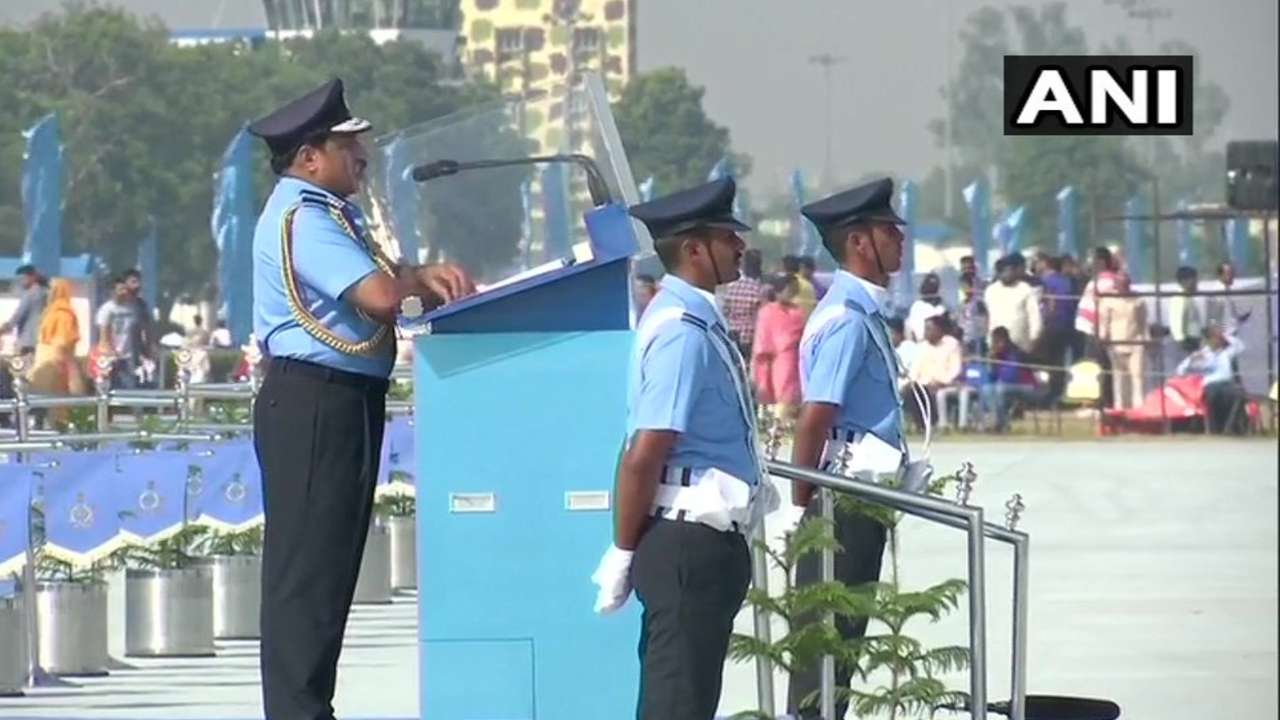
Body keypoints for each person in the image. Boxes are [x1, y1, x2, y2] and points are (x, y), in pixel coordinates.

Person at [247, 77, 476, 720]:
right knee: (308, 578)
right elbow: (379, 297)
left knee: (330, 571)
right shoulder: (304, 215)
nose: (362, 156)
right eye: (348, 145)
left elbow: (386, 294)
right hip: (313, 403)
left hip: (341, 399)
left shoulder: (330, 215)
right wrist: (422, 281)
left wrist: (418, 283)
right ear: (309, 156)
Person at [591, 177, 776, 720]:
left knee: (688, 701)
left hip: (705, 541)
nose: (740, 246)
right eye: (727, 237)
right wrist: (623, 552)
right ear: (694, 249)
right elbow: (645, 451)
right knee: (677, 705)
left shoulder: (698, 320)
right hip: (685, 542)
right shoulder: (682, 332)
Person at [786, 177, 923, 719]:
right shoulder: (845, 319)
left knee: (843, 647)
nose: (900, 240)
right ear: (860, 242)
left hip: (863, 495)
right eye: (890, 231)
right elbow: (815, 418)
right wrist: (804, 510)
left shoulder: (864, 312)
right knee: (827, 650)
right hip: (841, 501)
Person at [28, 278, 88, 425]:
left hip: (55, 361)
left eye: (52, 289)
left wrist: (65, 363)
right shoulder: (54, 311)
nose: (49, 293)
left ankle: (58, 425)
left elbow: (62, 340)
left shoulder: (62, 314)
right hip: (50, 361)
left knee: (57, 396)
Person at [1177, 322, 1248, 434]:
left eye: (1219, 338)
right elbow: (1180, 370)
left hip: (1227, 384)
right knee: (1212, 396)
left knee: (1239, 394)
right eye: (1214, 338)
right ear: (1208, 340)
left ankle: (1228, 429)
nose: (1217, 341)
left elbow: (1240, 346)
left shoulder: (1227, 352)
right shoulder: (1202, 354)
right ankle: (1213, 431)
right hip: (1211, 386)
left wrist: (1226, 335)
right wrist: (1191, 360)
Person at [752, 273, 806, 419]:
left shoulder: (798, 312)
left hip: (797, 362)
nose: (793, 293)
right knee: (781, 407)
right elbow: (762, 346)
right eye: (790, 289)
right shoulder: (767, 312)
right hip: (776, 364)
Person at [1099, 272, 1148, 410]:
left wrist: (1146, 338)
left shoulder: (1138, 300)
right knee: (1119, 378)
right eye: (1121, 283)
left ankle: (1139, 408)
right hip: (1116, 342)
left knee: (1137, 376)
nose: (1123, 286)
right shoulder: (1109, 300)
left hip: (1136, 342)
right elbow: (1104, 322)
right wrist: (1104, 337)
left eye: (1126, 283)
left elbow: (1143, 322)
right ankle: (1120, 408)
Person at [978, 326, 1038, 433]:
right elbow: (992, 379)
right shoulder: (997, 355)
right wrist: (992, 365)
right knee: (987, 389)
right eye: (993, 342)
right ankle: (999, 421)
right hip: (1007, 387)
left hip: (1027, 386)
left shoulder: (1015, 353)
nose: (995, 345)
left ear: (1004, 340)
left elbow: (1011, 376)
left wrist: (998, 362)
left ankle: (1000, 423)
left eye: (997, 341)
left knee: (1000, 389)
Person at [1036, 255, 1077, 400]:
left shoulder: (1045, 281)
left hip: (1051, 325)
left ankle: (1046, 393)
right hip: (1066, 325)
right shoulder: (1067, 281)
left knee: (1046, 360)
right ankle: (1058, 392)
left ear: (1047, 264)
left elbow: (1046, 303)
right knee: (1060, 360)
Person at [984, 253, 1041, 353]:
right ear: (999, 273)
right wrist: (989, 340)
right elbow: (988, 316)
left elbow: (1034, 315)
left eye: (1010, 270)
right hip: (997, 344)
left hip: (1021, 345)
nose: (1008, 274)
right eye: (1005, 271)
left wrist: (1034, 337)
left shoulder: (1025, 288)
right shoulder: (991, 291)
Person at [95, 276, 145, 390]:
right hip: (110, 357)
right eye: (120, 289)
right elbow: (104, 335)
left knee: (129, 387)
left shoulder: (132, 308)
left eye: (125, 289)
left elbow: (137, 331)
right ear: (113, 292)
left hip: (128, 356)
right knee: (109, 389)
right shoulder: (106, 309)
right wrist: (111, 352)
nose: (124, 292)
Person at [717, 248, 767, 356]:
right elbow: (762, 316)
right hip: (751, 336)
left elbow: (725, 310)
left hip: (733, 334)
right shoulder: (759, 289)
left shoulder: (732, 287)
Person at [1, 265, 49, 357]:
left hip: (27, 343)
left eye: (22, 278)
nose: (20, 282)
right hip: (39, 341)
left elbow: (18, 315)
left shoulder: (30, 294)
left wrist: (4, 329)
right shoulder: (44, 292)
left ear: (32, 277)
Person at [1206, 261, 1251, 336]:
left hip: (1230, 333)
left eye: (1232, 273)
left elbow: (1229, 314)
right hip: (1224, 335)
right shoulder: (1218, 291)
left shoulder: (1227, 289)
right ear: (1220, 275)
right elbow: (1213, 317)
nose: (1232, 276)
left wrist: (1240, 318)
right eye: (1229, 273)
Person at [1168, 266, 1203, 354]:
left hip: (1193, 342)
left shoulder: (1189, 298)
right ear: (1184, 281)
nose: (1196, 283)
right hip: (1186, 344)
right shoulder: (1179, 298)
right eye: (1194, 281)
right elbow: (1176, 324)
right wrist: (1183, 344)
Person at [905, 272, 947, 342]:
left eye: (934, 287)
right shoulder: (917, 306)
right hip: (920, 345)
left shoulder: (941, 308)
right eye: (929, 286)